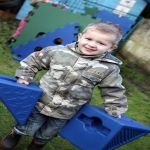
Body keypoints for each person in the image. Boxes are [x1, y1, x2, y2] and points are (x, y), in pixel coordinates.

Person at [1, 22, 128, 150]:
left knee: (48, 133)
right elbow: (34, 61)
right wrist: (24, 76)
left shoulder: (109, 68)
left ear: (111, 48)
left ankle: (37, 145)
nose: (92, 45)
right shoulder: (58, 51)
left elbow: (113, 89)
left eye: (101, 43)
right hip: (41, 101)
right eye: (89, 39)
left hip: (69, 109)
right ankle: (16, 133)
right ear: (80, 36)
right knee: (28, 124)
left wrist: (115, 107)